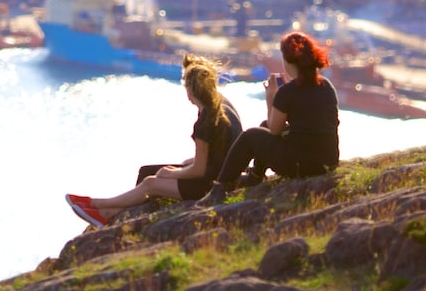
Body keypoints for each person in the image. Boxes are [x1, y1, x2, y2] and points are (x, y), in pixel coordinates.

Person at [65, 53, 235, 228]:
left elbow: (199, 171)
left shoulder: (205, 122)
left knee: (150, 183)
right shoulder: (218, 106)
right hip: (221, 176)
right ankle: (112, 212)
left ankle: (100, 206)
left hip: (209, 186)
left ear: (191, 91)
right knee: (148, 172)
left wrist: (172, 173)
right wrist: (183, 166)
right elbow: (217, 153)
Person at [202, 31, 340, 205]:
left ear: (289, 61)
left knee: (250, 136)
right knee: (264, 125)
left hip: (301, 164)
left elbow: (275, 130)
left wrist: (271, 98)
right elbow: (308, 124)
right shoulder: (326, 86)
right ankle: (255, 176)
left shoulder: (288, 92)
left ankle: (219, 189)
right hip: (327, 159)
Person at [132, 54, 244, 185]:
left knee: (148, 173)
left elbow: (199, 170)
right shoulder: (217, 103)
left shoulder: (208, 115)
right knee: (172, 167)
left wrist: (172, 173)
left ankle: (132, 205)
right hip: (226, 169)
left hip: (215, 177)